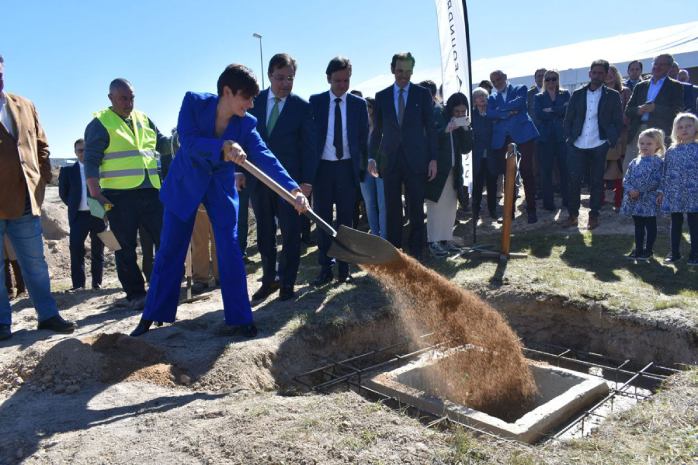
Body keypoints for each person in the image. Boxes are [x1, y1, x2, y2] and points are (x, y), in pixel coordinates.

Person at [130, 63, 308, 337]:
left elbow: (265, 157)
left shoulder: (247, 124)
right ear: (227, 92)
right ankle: (153, 315)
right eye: (246, 98)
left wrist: (293, 190)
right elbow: (187, 142)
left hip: (220, 189)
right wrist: (222, 147)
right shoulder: (193, 103)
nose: (250, 105)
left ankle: (240, 318)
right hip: (185, 184)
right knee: (170, 250)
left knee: (231, 251)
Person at [0, 53, 77, 340]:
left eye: (0, 74)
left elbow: (42, 145)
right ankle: (1, 323)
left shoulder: (24, 104)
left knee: (35, 262)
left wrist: (42, 178)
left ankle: (47, 316)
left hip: (24, 200)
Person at [83, 78, 172, 310]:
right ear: (111, 98)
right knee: (124, 247)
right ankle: (135, 293)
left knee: (166, 239)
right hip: (119, 196)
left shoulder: (144, 119)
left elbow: (162, 144)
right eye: (124, 98)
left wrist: (180, 140)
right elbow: (91, 161)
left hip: (152, 191)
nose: (129, 102)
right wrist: (95, 194)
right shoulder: (100, 124)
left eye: (132, 98)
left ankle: (164, 285)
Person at [247, 53, 316, 302]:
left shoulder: (302, 107)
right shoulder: (254, 102)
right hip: (259, 181)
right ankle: (269, 280)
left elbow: (310, 147)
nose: (285, 83)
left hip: (291, 184)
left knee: (290, 234)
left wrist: (306, 182)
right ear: (269, 76)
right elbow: (245, 141)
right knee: (265, 234)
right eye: (280, 78)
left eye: (290, 78)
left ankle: (287, 282)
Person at [368, 52, 438, 260]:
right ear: (392, 70)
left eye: (408, 71)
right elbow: (377, 130)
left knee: (416, 207)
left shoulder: (422, 94)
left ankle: (416, 251)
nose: (403, 76)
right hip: (389, 162)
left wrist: (433, 158)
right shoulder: (382, 96)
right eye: (400, 71)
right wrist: (372, 158)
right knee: (392, 209)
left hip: (416, 160)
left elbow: (431, 128)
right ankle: (395, 251)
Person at [309, 57, 369, 285]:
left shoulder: (358, 104)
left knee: (346, 222)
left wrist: (361, 168)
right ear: (328, 79)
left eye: (346, 80)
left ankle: (345, 269)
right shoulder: (315, 102)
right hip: (322, 169)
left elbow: (363, 140)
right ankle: (325, 269)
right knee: (323, 220)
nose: (342, 85)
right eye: (337, 81)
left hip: (347, 169)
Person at [561, 59, 623, 230]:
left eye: (601, 73)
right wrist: (569, 138)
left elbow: (619, 121)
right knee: (574, 180)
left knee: (596, 181)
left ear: (606, 75)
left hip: (599, 143)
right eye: (594, 73)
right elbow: (568, 119)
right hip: (577, 143)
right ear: (589, 74)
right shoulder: (578, 94)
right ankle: (573, 215)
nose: (597, 76)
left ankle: (594, 215)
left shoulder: (613, 95)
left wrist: (611, 139)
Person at [487, 70, 540, 224]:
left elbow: (520, 103)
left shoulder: (520, 89)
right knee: (508, 175)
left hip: (523, 137)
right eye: (494, 81)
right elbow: (490, 114)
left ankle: (531, 210)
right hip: (502, 140)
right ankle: (509, 212)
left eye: (499, 79)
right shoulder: (492, 97)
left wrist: (500, 111)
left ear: (505, 77)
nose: (497, 83)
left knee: (526, 172)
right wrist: (509, 112)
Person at [426, 92, 472, 258]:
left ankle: (446, 239)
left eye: (463, 111)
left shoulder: (462, 123)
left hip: (454, 168)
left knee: (451, 206)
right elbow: (430, 139)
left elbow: (467, 148)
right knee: (436, 206)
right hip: (438, 168)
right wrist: (446, 129)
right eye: (457, 111)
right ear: (450, 109)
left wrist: (466, 127)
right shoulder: (438, 116)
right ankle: (433, 242)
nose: (460, 114)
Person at [58, 138, 106, 291]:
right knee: (76, 249)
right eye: (80, 150)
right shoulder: (68, 171)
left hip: (97, 212)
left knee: (98, 249)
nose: (83, 153)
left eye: (86, 150)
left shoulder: (100, 169)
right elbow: (63, 193)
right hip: (78, 215)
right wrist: (75, 205)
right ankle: (78, 285)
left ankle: (97, 283)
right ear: (75, 152)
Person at [625, 54, 684, 173]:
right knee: (630, 166)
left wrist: (655, 108)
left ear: (669, 67)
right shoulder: (641, 86)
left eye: (662, 64)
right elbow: (628, 110)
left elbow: (677, 112)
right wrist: (638, 110)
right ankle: (629, 191)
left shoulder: (675, 86)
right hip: (638, 130)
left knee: (656, 169)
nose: (657, 67)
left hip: (659, 132)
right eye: (655, 63)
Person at [658, 113, 698, 266]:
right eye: (680, 127)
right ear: (675, 131)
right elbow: (665, 172)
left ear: (696, 128)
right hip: (675, 193)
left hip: (694, 193)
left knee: (694, 222)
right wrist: (661, 191)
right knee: (675, 221)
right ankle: (674, 253)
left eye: (688, 126)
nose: (684, 129)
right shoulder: (671, 151)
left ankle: (695, 253)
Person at [619, 128, 664, 261]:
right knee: (638, 225)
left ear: (657, 145)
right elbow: (627, 179)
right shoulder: (634, 162)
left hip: (650, 200)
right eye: (642, 143)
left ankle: (648, 250)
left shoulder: (659, 163)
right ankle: (638, 248)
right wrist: (630, 190)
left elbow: (661, 180)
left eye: (649, 144)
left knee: (650, 225)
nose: (644, 146)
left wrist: (658, 193)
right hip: (635, 200)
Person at [534, 69, 570, 212]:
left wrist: (551, 109)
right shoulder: (539, 97)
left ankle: (567, 201)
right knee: (546, 172)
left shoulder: (565, 93)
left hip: (562, 137)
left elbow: (569, 111)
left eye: (553, 79)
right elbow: (538, 114)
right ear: (544, 81)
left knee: (565, 171)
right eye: (547, 79)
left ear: (557, 79)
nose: (550, 82)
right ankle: (548, 204)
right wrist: (560, 110)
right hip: (545, 138)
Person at [602, 65, 633, 209]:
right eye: (606, 73)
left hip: (621, 135)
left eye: (612, 72)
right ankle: (600, 199)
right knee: (601, 168)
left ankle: (619, 200)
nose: (609, 75)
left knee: (619, 169)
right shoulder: (599, 91)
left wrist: (616, 123)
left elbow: (628, 112)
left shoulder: (625, 91)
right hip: (602, 135)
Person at [359, 97, 387, 238]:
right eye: (365, 106)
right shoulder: (360, 128)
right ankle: (375, 235)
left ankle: (384, 237)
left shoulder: (383, 126)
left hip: (381, 169)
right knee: (370, 205)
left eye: (369, 106)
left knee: (382, 205)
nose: (367, 109)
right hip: (364, 171)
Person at [471, 87, 498, 220]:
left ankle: (492, 210)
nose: (482, 98)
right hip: (477, 155)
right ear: (474, 100)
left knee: (492, 184)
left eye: (484, 96)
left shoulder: (493, 113)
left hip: (492, 154)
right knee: (477, 184)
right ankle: (475, 211)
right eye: (479, 96)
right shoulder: (471, 115)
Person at [528, 68, 546, 201]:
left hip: (552, 132)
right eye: (539, 76)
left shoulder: (556, 92)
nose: (542, 78)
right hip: (534, 133)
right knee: (536, 164)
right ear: (535, 79)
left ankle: (556, 186)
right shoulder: (529, 94)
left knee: (555, 163)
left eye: (544, 75)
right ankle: (539, 189)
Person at [191, 205, 219, 293]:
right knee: (198, 242)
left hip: (217, 198)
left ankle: (222, 275)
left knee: (219, 240)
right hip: (197, 200)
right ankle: (200, 278)